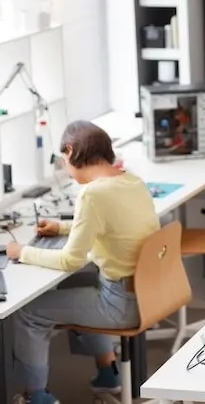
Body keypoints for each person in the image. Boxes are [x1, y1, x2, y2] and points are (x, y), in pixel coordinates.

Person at [6, 121, 160, 404]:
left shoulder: (92, 194)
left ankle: (36, 397)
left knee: (28, 312)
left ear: (70, 151)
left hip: (121, 304)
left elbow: (70, 260)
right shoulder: (130, 180)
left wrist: (21, 252)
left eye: (64, 161)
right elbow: (107, 223)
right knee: (76, 282)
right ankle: (108, 370)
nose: (66, 168)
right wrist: (62, 227)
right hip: (148, 293)